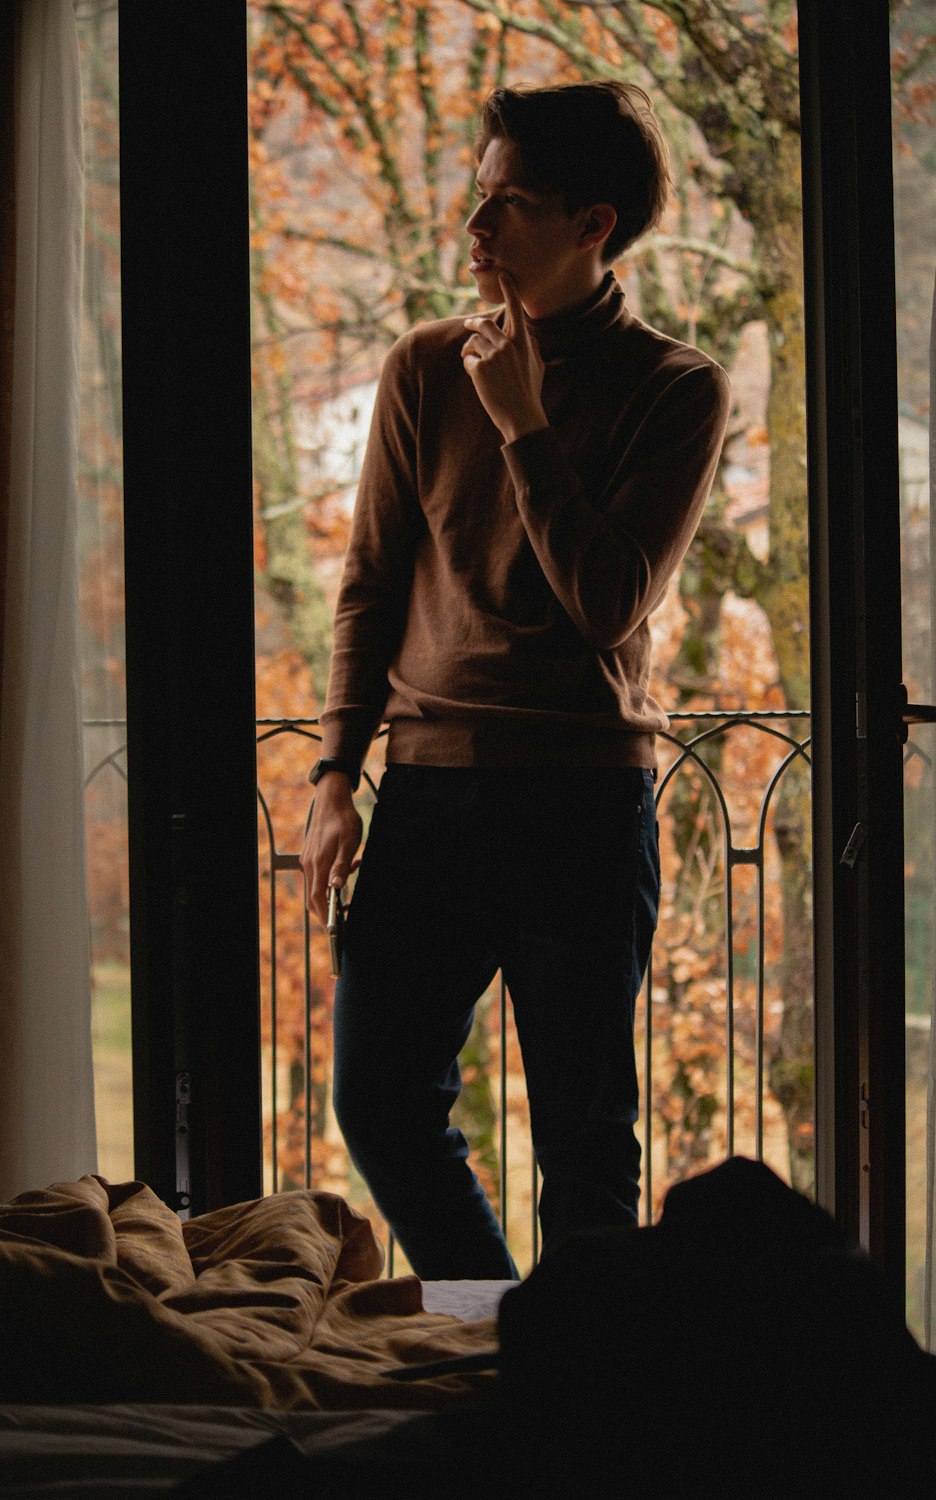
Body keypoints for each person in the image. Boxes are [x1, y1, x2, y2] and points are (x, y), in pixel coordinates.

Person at [301, 80, 730, 1280]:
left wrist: (525, 426)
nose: (474, 231)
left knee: (585, 1148)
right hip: (429, 797)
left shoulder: (675, 387)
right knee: (381, 1103)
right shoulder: (424, 366)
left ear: (593, 225)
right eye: (477, 199)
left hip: (584, 806)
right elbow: (371, 584)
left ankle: (586, 1415)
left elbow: (607, 601)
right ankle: (498, 1338)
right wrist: (336, 773)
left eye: (510, 207)